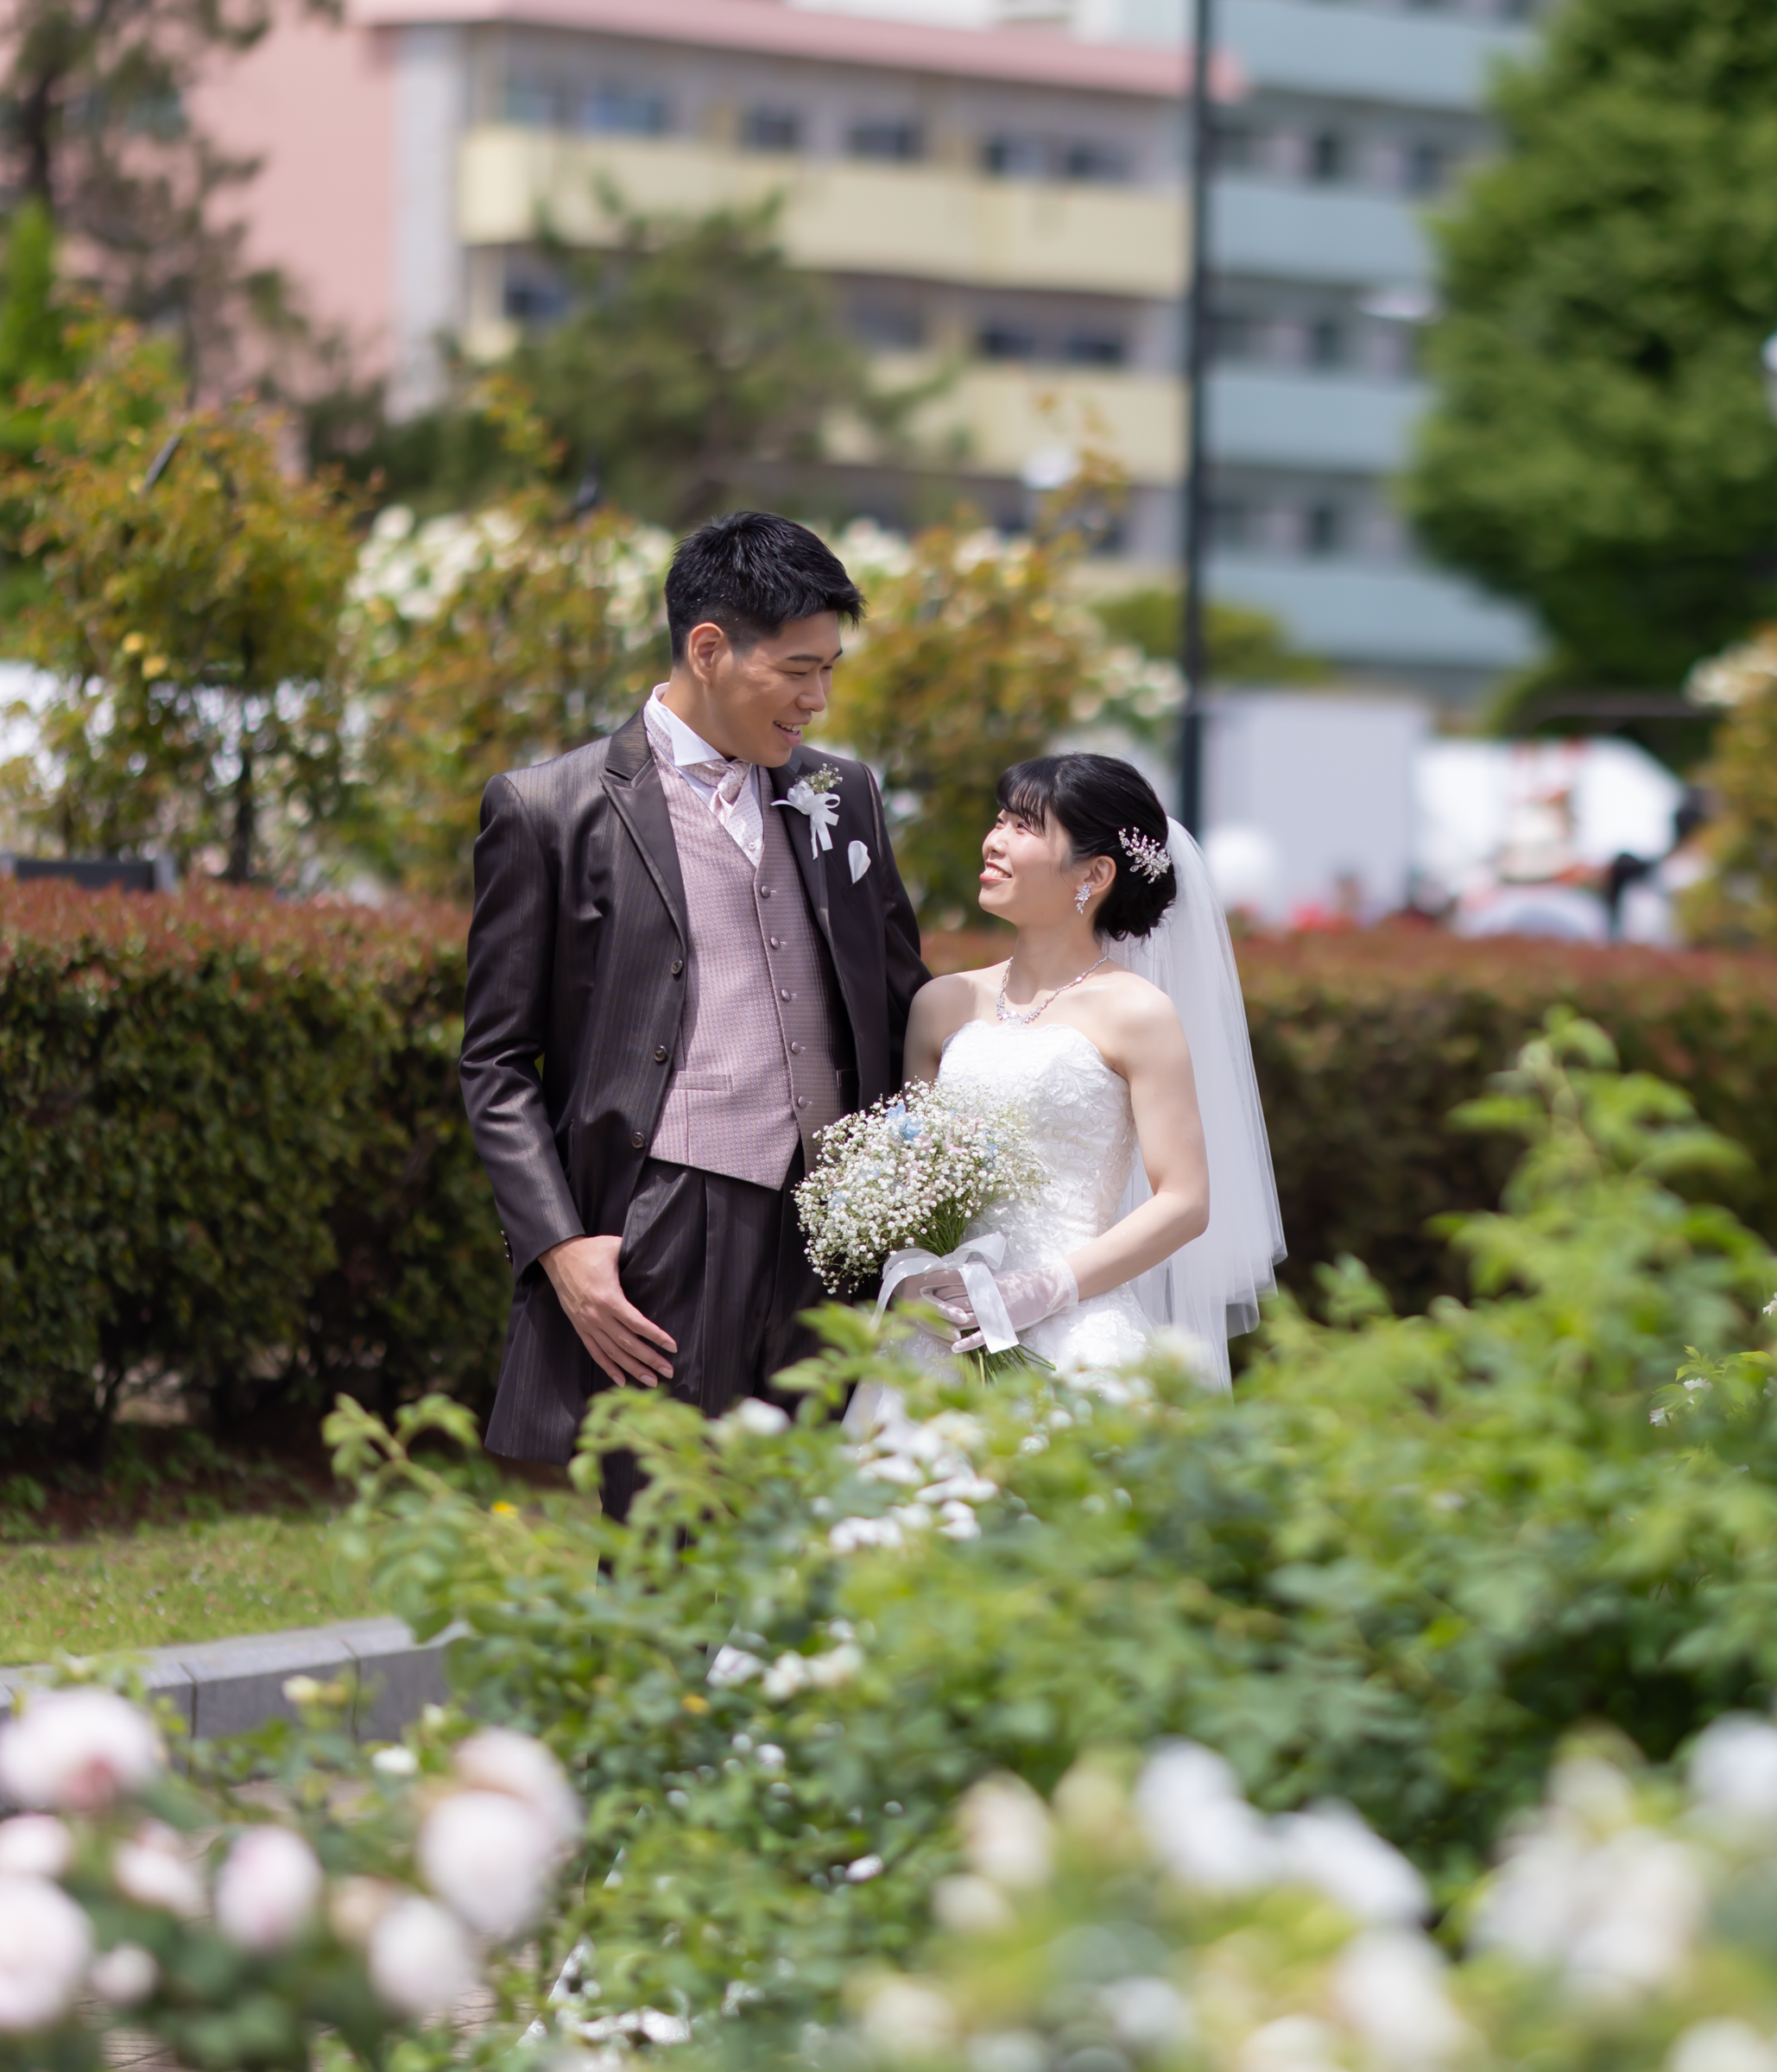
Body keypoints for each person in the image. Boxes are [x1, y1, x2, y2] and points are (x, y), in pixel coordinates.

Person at [460, 514, 927, 1516]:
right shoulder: (549, 808)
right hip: (667, 1218)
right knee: (669, 1536)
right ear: (708, 649)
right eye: (799, 670)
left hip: (834, 1226)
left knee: (813, 1535)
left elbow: (900, 999)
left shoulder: (842, 795)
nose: (818, 699)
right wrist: (558, 1242)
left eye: (831, 670)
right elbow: (496, 1062)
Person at [884, 753, 1284, 1393]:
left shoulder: (1138, 1013)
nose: (994, 841)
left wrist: (1038, 1292)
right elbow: (906, 1174)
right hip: (940, 1332)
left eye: (1025, 827)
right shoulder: (941, 1003)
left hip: (1076, 1335)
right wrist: (908, 1276)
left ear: (1094, 873)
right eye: (999, 820)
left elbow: (1184, 1200)